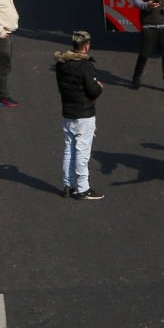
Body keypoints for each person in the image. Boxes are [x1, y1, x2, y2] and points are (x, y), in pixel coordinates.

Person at [56, 30, 104, 200]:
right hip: (84, 114)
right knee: (82, 152)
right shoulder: (86, 66)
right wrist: (99, 86)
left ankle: (67, 186)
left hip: (67, 112)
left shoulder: (61, 63)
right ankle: (83, 188)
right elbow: (93, 91)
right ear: (86, 45)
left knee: (69, 149)